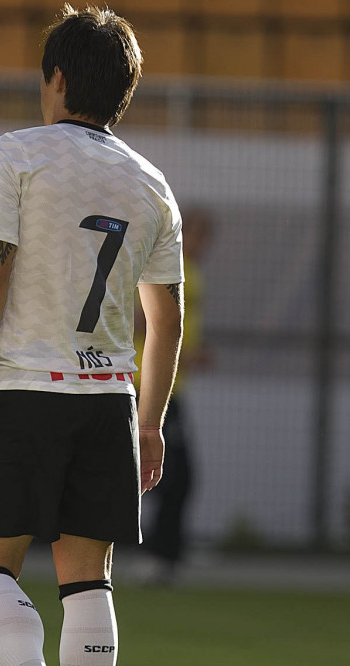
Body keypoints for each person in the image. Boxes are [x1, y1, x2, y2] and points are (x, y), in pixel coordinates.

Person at [0, 6, 183, 666]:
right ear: (124, 91)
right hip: (106, 395)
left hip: (23, 385)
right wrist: (149, 419)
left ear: (55, 77)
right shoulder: (153, 184)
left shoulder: (15, 154)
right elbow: (165, 319)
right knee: (87, 577)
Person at [141, 209, 214, 584]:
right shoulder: (167, 266)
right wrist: (186, 355)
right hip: (148, 383)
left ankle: (167, 550)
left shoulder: (193, 272)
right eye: (198, 234)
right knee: (175, 474)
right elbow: (144, 319)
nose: (203, 244)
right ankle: (159, 553)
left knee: (176, 475)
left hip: (172, 387)